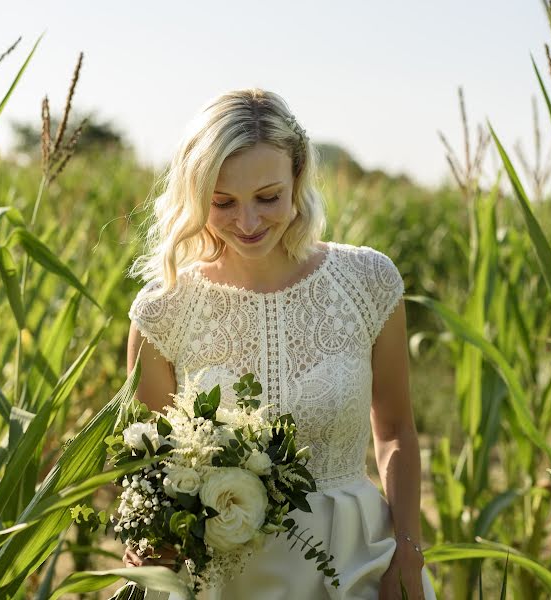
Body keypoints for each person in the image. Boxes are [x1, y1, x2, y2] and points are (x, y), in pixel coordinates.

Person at [122, 88, 437, 600]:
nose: (247, 223)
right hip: (220, 578)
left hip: (356, 559)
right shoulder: (163, 311)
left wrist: (407, 550)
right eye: (222, 202)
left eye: (267, 197)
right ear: (195, 195)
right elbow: (152, 469)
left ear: (297, 179)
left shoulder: (367, 281)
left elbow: (397, 428)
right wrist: (145, 543)